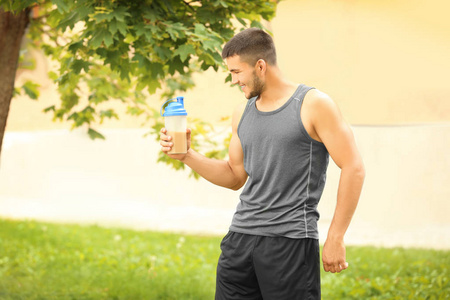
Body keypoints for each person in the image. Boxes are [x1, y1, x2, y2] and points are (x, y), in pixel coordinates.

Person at [159, 28, 365, 300]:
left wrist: (336, 237)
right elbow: (234, 177)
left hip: (289, 241)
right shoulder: (242, 112)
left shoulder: (314, 105)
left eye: (236, 72)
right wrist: (186, 155)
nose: (233, 81)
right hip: (239, 240)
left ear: (260, 66)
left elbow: (353, 167)